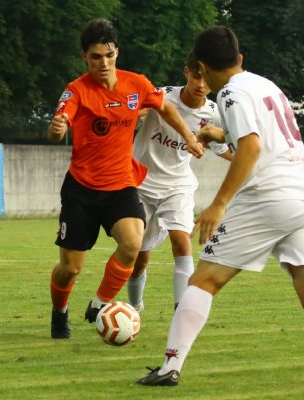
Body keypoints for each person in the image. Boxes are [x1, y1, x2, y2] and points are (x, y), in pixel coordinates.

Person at [137, 26, 304, 390]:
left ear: (200, 68)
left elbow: (251, 148)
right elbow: (265, 138)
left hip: (268, 197)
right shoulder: (266, 85)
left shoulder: (231, 95)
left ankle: (170, 366)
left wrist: (218, 204)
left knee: (203, 281)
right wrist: (216, 135)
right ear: (240, 59)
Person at [47, 19, 204, 339]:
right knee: (70, 268)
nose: (103, 63)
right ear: (84, 58)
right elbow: (62, 117)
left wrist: (188, 134)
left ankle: (99, 304)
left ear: (116, 52)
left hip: (121, 185)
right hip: (81, 189)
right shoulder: (76, 90)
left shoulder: (137, 84)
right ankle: (59, 312)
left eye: (108, 55)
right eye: (95, 57)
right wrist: (57, 129)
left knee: (133, 243)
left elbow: (166, 108)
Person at [127, 52, 232, 313]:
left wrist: (252, 160)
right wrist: (135, 116)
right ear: (186, 72)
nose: (201, 85)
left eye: (206, 79)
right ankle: (135, 307)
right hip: (142, 184)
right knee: (139, 258)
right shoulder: (162, 96)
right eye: (196, 76)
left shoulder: (213, 113)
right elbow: (134, 114)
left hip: (179, 185)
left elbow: (224, 149)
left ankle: (181, 311)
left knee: (181, 240)